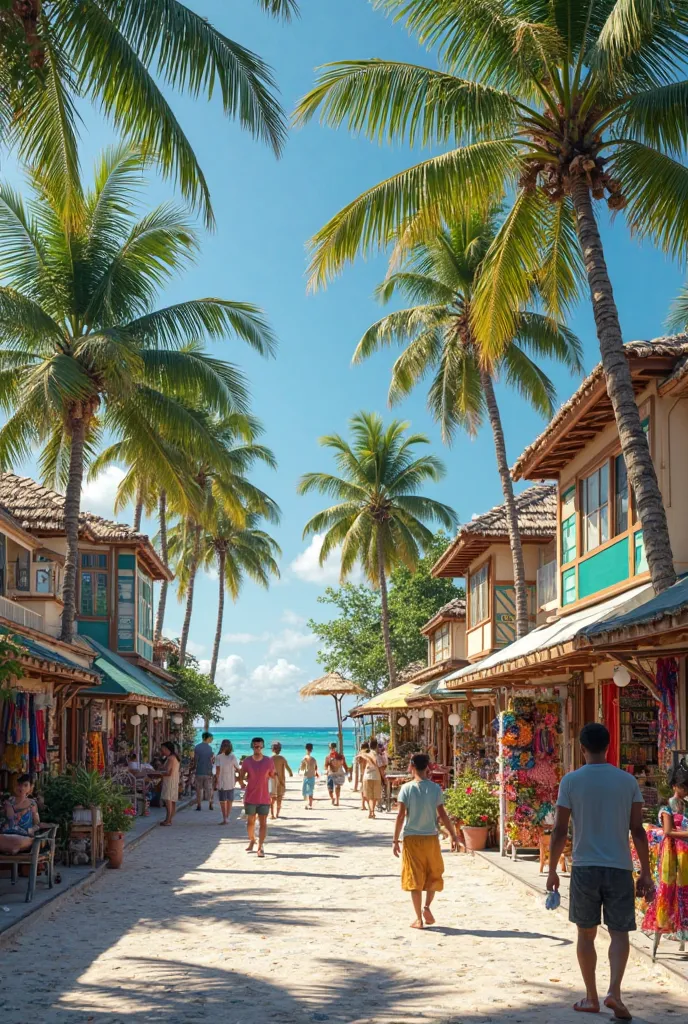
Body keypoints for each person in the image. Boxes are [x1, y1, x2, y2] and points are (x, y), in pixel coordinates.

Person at [547, 723, 654, 1020]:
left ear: (582, 749)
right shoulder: (627, 781)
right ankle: (615, 993)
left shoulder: (570, 781)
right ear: (609, 747)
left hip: (584, 867)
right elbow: (637, 830)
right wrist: (645, 872)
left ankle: (591, 997)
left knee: (586, 933)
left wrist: (553, 869)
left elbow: (559, 830)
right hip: (619, 867)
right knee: (620, 934)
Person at [393, 753, 458, 929]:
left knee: (414, 877)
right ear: (427, 766)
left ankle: (418, 919)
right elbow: (443, 814)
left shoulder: (406, 788)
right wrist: (453, 834)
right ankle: (427, 907)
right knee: (432, 874)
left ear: (412, 766)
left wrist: (395, 840)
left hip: (411, 838)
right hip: (431, 838)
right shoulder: (435, 788)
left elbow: (400, 817)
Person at [642, 761, 688, 947]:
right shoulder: (667, 808)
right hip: (672, 854)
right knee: (669, 892)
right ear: (674, 786)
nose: (685, 789)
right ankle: (666, 926)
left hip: (684, 854)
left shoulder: (685, 806)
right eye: (683, 786)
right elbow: (668, 832)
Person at [238, 737, 275, 857]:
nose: (257, 748)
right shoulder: (247, 761)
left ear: (263, 747)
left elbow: (272, 775)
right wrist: (242, 783)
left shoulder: (268, 761)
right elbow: (241, 775)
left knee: (263, 822)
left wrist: (275, 788)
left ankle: (260, 847)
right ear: (252, 747)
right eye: (255, 746)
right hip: (250, 797)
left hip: (264, 797)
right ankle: (252, 839)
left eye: (259, 746)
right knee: (250, 822)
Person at [0, 774, 39, 854]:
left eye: (25, 785)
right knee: (9, 839)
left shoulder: (32, 804)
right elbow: (6, 818)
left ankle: (11, 848)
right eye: (19, 785)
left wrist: (31, 830)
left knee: (17, 841)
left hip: (24, 837)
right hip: (7, 835)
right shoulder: (8, 802)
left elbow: (37, 824)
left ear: (31, 787)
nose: (22, 788)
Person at [215, 738, 240, 826]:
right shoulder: (223, 756)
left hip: (226, 782)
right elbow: (238, 768)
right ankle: (225, 817)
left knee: (226, 800)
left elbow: (217, 771)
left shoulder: (221, 756)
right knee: (226, 800)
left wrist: (216, 781)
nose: (225, 747)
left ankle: (226, 818)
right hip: (226, 782)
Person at [159, 741, 181, 826]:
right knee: (172, 800)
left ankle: (168, 820)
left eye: (163, 749)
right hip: (174, 780)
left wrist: (159, 773)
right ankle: (169, 819)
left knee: (168, 800)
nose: (162, 751)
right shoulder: (174, 757)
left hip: (169, 781)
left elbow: (168, 772)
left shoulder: (171, 758)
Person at [358, 741, 382, 819]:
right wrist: (384, 777)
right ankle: (372, 812)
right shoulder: (378, 755)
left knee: (369, 796)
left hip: (367, 776)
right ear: (376, 746)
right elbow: (381, 767)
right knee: (374, 796)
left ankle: (371, 812)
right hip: (376, 777)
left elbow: (362, 766)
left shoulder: (365, 754)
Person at [270, 742, 293, 819]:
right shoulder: (282, 758)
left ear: (272, 749)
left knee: (272, 799)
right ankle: (277, 814)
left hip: (272, 781)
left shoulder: (270, 759)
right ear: (280, 750)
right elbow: (287, 767)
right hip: (281, 781)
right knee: (279, 798)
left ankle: (272, 814)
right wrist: (290, 773)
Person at [193, 731, 215, 811]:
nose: (212, 740)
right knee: (208, 789)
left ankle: (199, 805)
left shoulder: (197, 747)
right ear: (207, 738)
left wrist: (194, 767)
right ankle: (210, 804)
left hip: (199, 771)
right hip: (208, 771)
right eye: (211, 738)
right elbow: (211, 761)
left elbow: (195, 759)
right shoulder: (210, 748)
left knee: (199, 789)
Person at [325, 742, 349, 807]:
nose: (332, 748)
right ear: (329, 748)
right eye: (331, 747)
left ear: (335, 748)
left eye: (333, 747)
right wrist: (327, 770)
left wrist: (348, 774)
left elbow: (345, 765)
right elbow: (325, 766)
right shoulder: (328, 757)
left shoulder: (340, 756)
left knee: (337, 787)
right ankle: (333, 798)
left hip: (339, 774)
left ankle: (337, 801)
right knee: (330, 789)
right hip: (331, 774)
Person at [300, 743, 319, 809]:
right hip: (312, 776)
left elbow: (302, 768)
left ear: (306, 749)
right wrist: (316, 773)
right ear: (311, 749)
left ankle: (308, 803)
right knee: (310, 790)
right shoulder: (314, 759)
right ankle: (310, 804)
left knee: (305, 791)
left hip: (306, 776)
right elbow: (316, 767)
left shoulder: (304, 758)